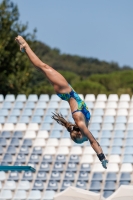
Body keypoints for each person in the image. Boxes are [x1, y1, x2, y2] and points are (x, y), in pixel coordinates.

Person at [15, 36, 108, 169]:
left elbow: (93, 142)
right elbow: (92, 141)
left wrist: (102, 157)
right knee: (43, 68)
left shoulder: (81, 123)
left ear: (80, 133)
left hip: (65, 90)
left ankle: (25, 46)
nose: (86, 139)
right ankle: (25, 48)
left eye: (83, 139)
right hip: (65, 91)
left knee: (43, 67)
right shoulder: (82, 123)